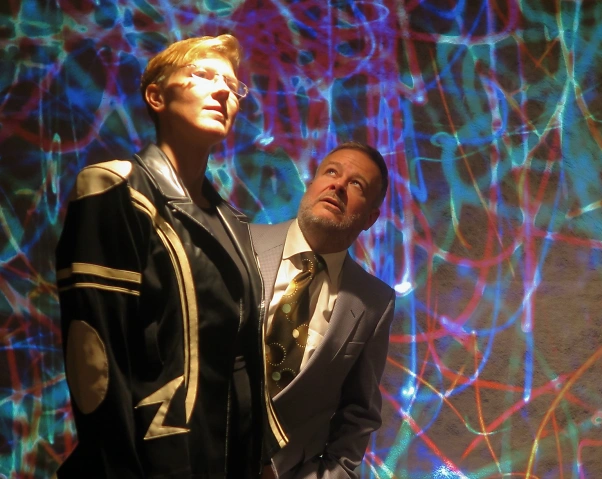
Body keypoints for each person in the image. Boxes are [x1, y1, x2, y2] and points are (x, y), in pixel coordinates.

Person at [55, 34, 266, 477]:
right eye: (202, 75)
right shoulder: (117, 189)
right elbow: (96, 357)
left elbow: (240, 360)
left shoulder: (232, 221)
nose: (223, 90)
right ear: (156, 96)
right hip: (154, 462)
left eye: (232, 84)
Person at [250, 142, 396, 479]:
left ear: (371, 218)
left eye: (356, 184)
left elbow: (359, 416)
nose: (338, 185)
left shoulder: (374, 302)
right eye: (331, 172)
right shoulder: (241, 241)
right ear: (311, 185)